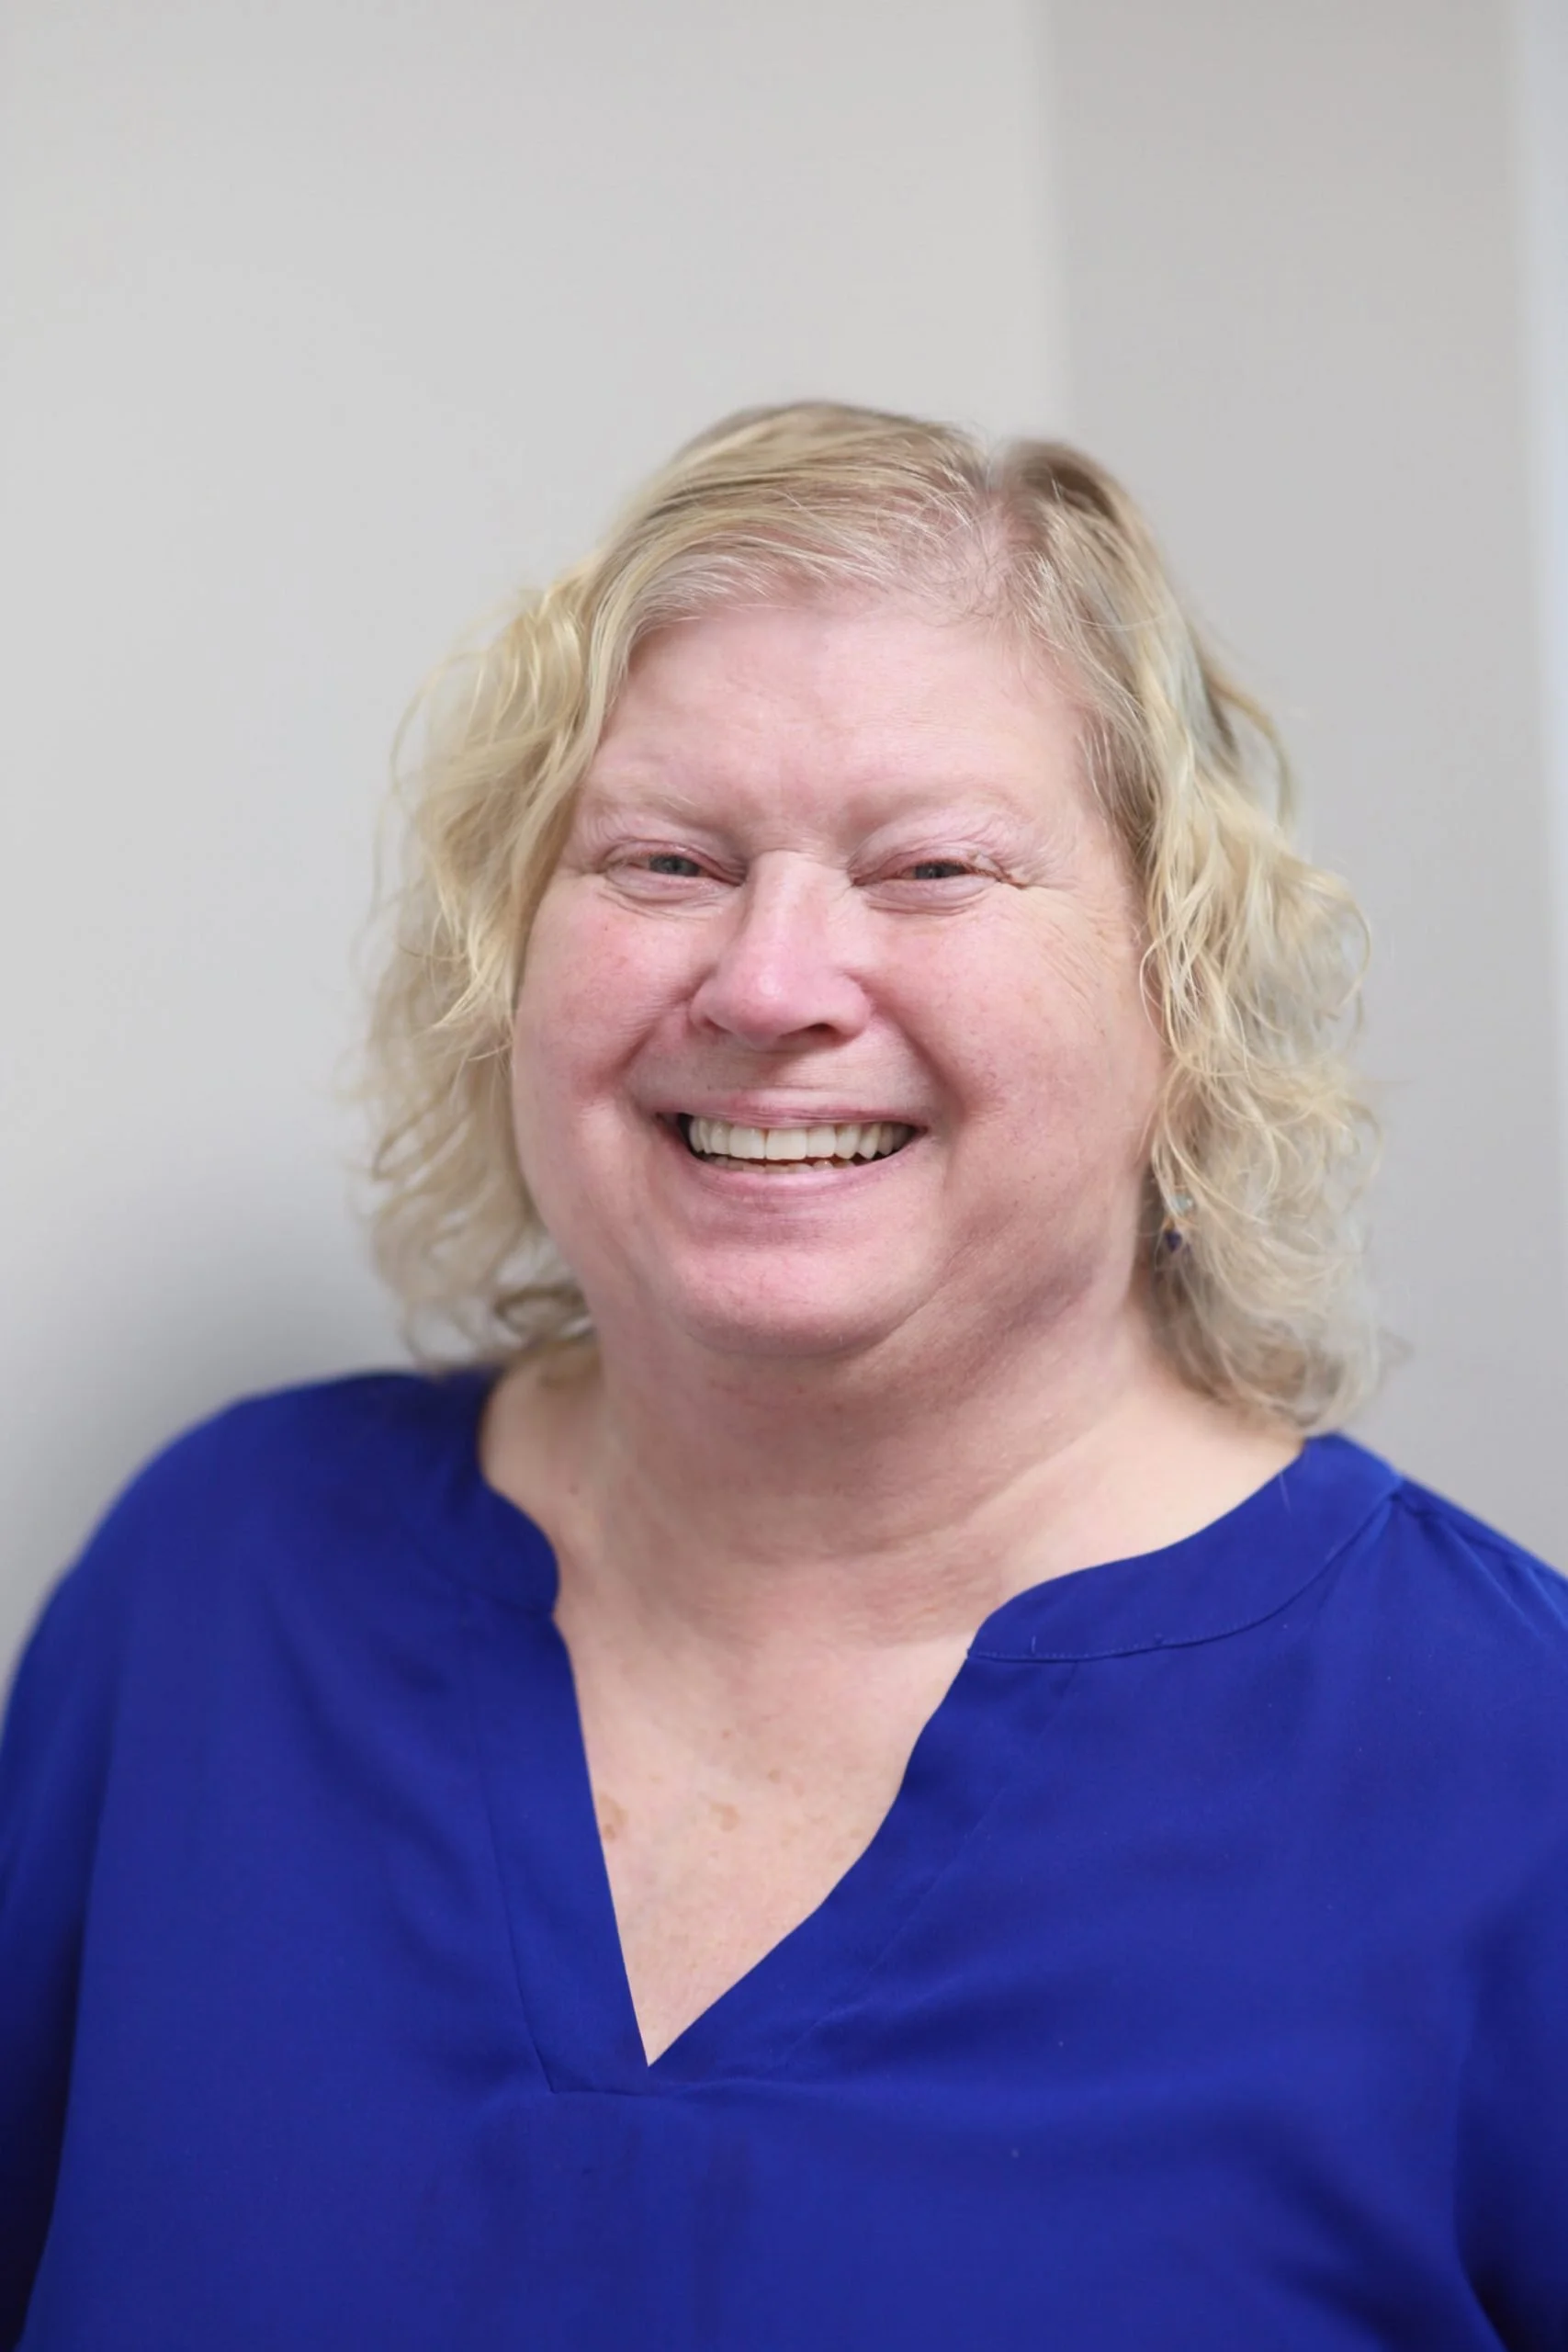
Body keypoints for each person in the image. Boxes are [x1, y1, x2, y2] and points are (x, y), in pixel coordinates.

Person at [2, 403, 1564, 2350]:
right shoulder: (214, 1587)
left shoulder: (1509, 1763)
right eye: (664, 860)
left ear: (1180, 985)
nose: (764, 983)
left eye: (928, 868)